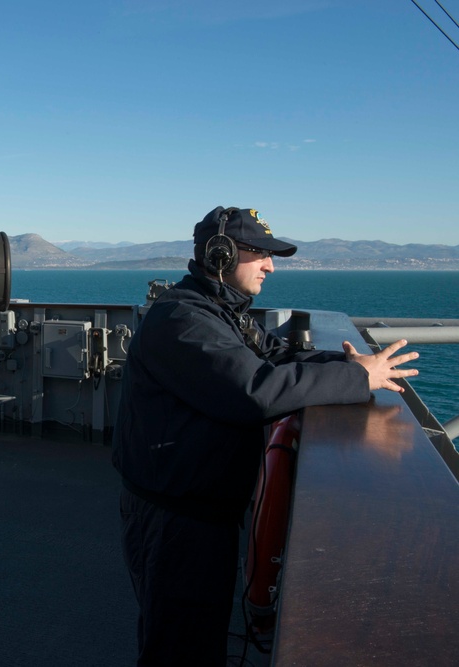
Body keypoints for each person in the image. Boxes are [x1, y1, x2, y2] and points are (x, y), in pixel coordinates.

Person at [111, 206, 418, 666]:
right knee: (179, 647)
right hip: (174, 517)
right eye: (260, 255)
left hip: (199, 511)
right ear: (220, 254)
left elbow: (273, 357)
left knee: (192, 638)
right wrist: (359, 382)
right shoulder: (182, 319)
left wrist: (349, 367)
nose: (270, 266)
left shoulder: (219, 311)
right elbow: (254, 391)